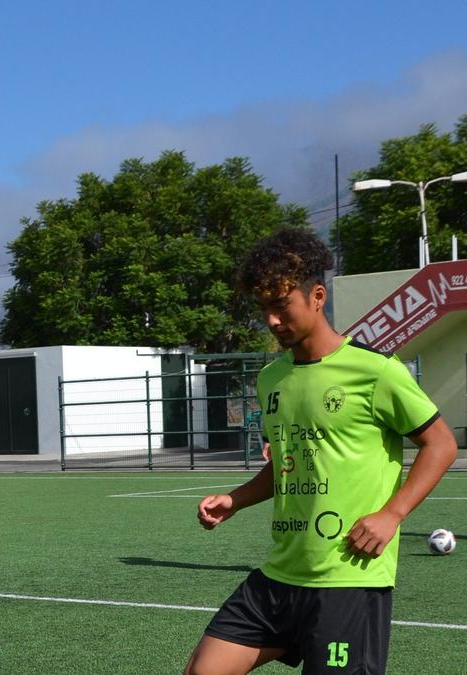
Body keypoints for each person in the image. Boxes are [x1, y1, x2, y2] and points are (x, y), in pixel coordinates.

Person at [184, 228, 457, 674]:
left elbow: (440, 443)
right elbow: (286, 467)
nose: (272, 320)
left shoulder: (374, 371)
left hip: (348, 578)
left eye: (281, 305)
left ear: (316, 296)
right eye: (264, 309)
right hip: (280, 573)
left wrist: (392, 515)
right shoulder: (272, 378)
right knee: (204, 670)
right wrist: (235, 499)